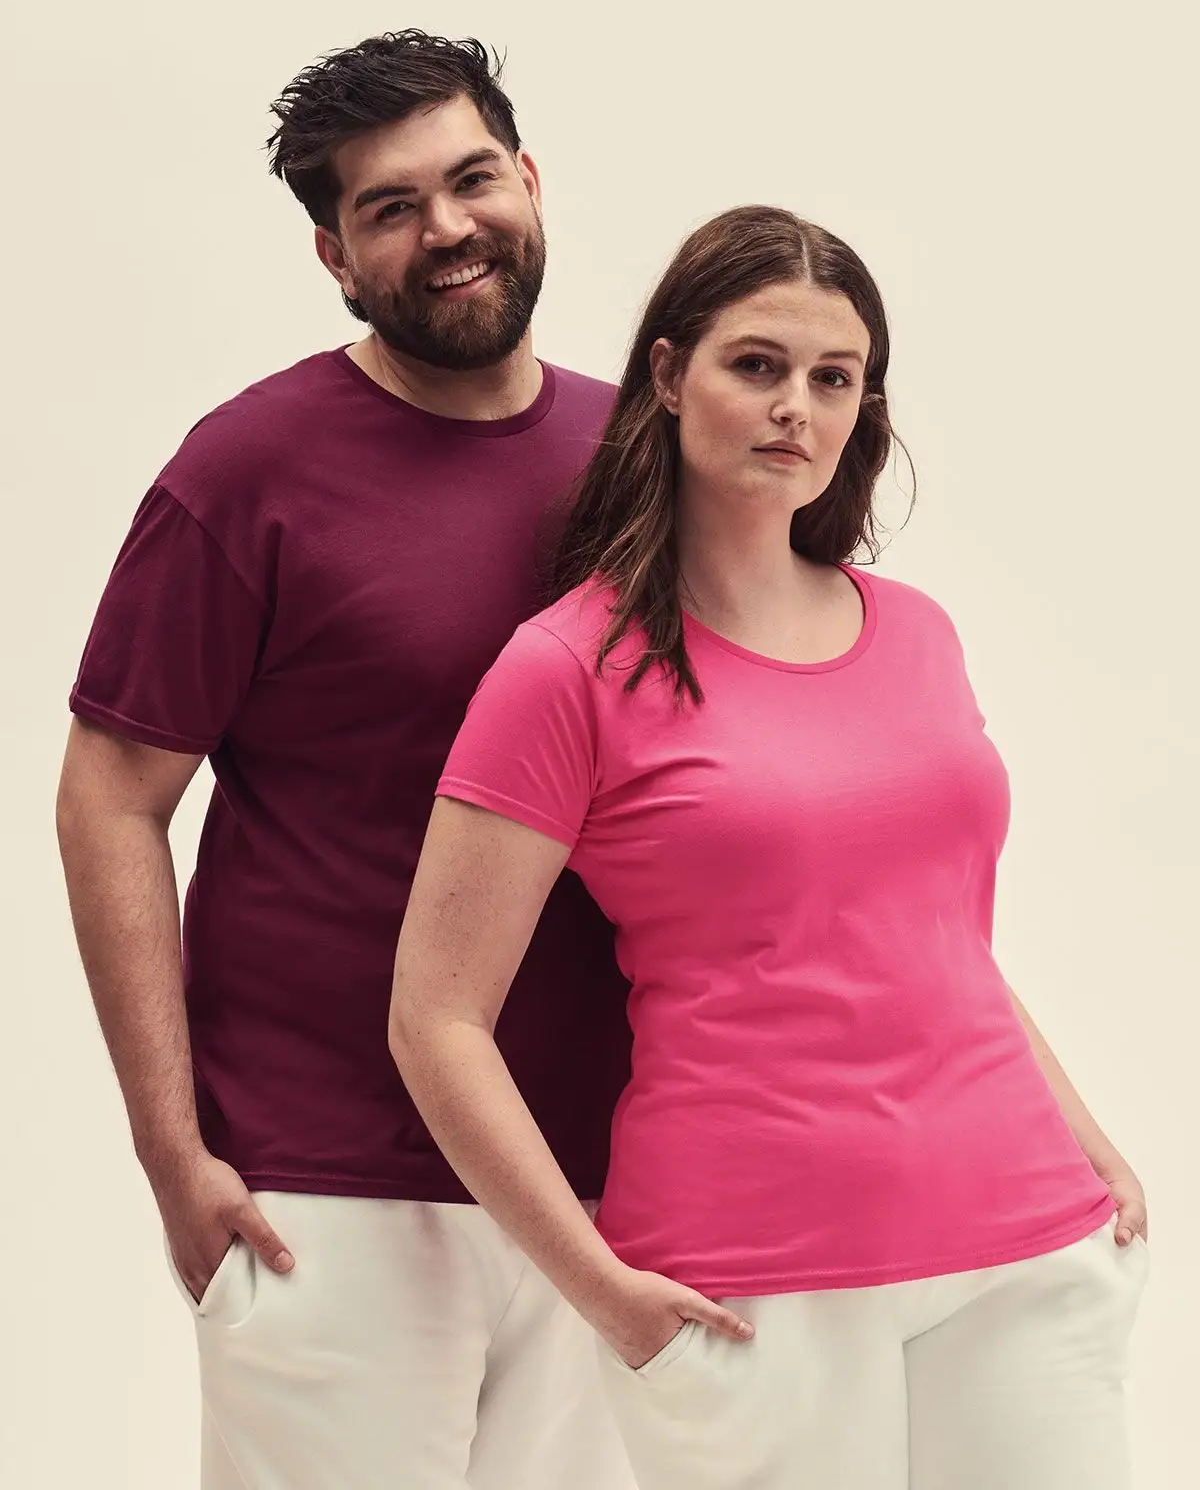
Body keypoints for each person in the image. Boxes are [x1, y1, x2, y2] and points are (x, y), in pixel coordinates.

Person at [388, 204, 1151, 1490]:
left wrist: (1090, 1144)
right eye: (758, 364)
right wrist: (599, 1287)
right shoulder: (568, 667)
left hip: (1028, 1246)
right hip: (751, 1285)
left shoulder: (917, 631)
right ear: (669, 373)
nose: (797, 405)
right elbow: (435, 1017)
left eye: (834, 377)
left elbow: (940, 939)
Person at [55, 31, 637, 1490]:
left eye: (471, 179)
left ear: (531, 181)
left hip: (604, 1181)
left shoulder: (640, 456)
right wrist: (172, 1152)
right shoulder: (247, 473)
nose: (447, 228)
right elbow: (111, 798)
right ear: (334, 254)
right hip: (329, 1185)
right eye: (391, 207)